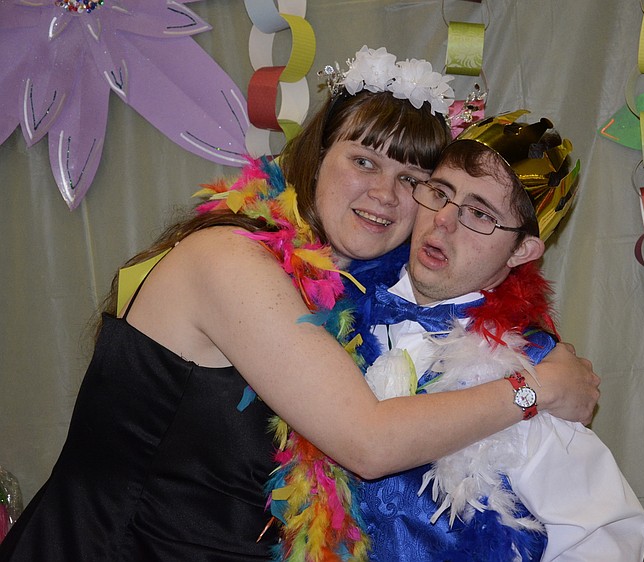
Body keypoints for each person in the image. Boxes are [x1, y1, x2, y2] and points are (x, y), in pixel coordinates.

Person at [0, 47, 600, 561]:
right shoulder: (229, 260)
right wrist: (537, 388)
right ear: (316, 156)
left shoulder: (357, 303)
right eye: (363, 161)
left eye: (413, 180)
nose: (385, 194)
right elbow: (369, 443)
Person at [269, 110, 644, 561]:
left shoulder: (533, 370)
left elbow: (606, 541)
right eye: (440, 193)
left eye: (479, 214)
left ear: (522, 251)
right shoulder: (324, 306)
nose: (443, 220)